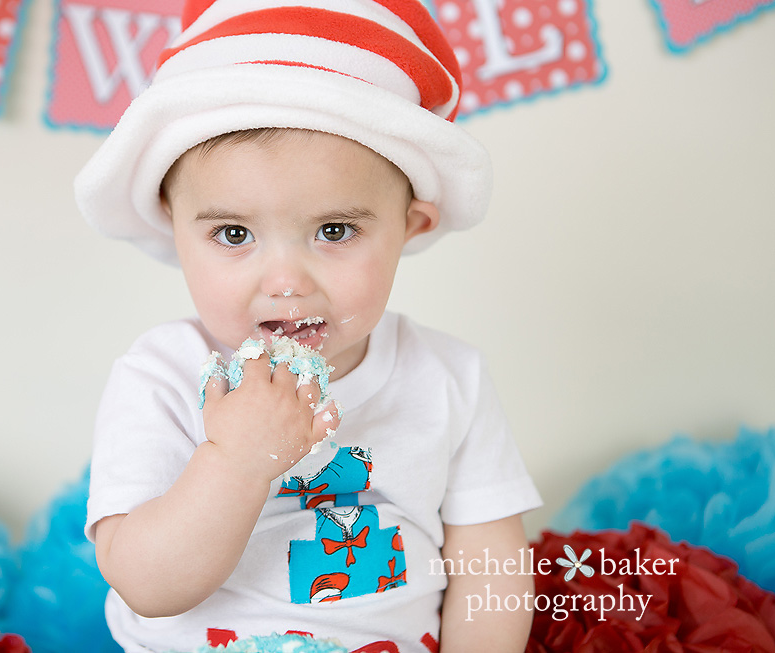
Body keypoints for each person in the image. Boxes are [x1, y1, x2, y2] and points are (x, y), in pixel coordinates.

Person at [75, 1, 543, 651]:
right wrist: (236, 462)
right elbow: (145, 584)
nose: (285, 280)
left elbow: (492, 567)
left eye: (334, 230)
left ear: (412, 224)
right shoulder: (162, 373)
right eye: (234, 233)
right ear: (172, 226)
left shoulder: (448, 376)